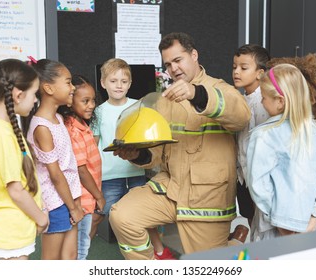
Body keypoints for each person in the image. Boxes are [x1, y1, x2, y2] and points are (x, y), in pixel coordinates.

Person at [109, 32, 251, 260]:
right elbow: (157, 152)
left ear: (194, 55)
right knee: (122, 216)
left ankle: (234, 242)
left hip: (207, 198)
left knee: (210, 267)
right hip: (171, 189)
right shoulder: (165, 100)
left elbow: (241, 116)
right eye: (167, 64)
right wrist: (138, 154)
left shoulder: (220, 88)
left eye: (178, 60)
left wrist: (196, 93)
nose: (173, 69)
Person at [92, 58, 173, 259]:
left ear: (130, 83)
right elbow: (93, 146)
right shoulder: (98, 112)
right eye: (113, 81)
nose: (119, 85)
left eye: (124, 81)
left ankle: (161, 251)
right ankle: (80, 253)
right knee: (104, 215)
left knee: (144, 218)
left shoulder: (138, 107)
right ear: (103, 83)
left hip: (135, 172)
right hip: (109, 177)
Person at [246, 63, 316, 241]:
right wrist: (315, 215)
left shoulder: (263, 135)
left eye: (263, 97)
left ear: (280, 101)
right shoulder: (315, 133)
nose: (262, 102)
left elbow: (258, 185)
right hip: (309, 225)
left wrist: (280, 220)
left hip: (274, 228)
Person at [0, 58, 49, 260]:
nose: (36, 100)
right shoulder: (2, 135)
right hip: (10, 227)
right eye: (35, 94)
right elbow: (15, 190)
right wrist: (41, 218)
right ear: (18, 95)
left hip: (13, 225)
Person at [22, 59, 84, 259]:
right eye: (68, 82)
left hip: (69, 195)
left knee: (70, 256)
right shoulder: (42, 127)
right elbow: (55, 174)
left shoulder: (57, 118)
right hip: (56, 201)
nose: (73, 87)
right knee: (51, 262)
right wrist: (73, 207)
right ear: (48, 88)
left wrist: (75, 201)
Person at [57, 74, 106, 260]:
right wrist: (99, 196)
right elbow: (81, 169)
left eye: (93, 100)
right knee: (80, 248)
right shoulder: (73, 130)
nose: (92, 105)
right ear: (70, 101)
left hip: (86, 198)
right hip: (83, 198)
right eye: (85, 101)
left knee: (80, 243)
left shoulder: (81, 126)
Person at [232, 44, 271, 228]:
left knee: (263, 222)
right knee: (250, 217)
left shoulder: (264, 101)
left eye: (243, 68)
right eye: (234, 67)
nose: (236, 72)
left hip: (258, 174)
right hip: (243, 174)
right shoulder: (240, 99)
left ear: (260, 73)